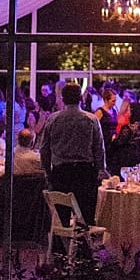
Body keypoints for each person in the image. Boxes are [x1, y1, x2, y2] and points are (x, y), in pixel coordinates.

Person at [40, 82, 107, 225]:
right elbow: (99, 148)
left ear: (63, 99)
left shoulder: (53, 119)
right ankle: (84, 238)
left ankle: (62, 238)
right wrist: (100, 169)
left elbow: (44, 148)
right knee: (86, 217)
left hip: (60, 172)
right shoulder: (91, 119)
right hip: (85, 172)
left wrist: (48, 171)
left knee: (62, 217)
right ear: (81, 98)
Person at [106, 101, 140, 173]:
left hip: (127, 158)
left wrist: (113, 139)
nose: (126, 112)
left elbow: (119, 142)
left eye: (128, 110)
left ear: (132, 113)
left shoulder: (128, 128)